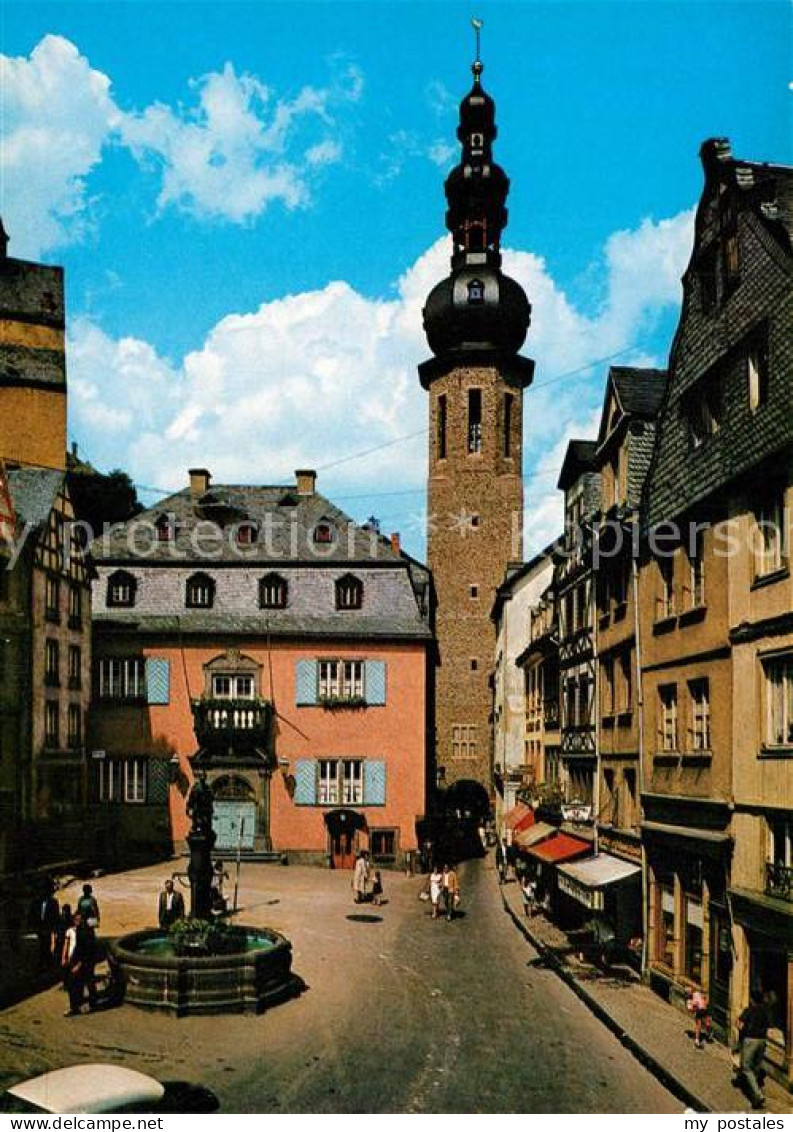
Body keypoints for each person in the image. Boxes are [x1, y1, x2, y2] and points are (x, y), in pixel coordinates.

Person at [737, 987, 770, 1109]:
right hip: (762, 1040)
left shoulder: (749, 1010)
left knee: (746, 1068)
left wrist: (740, 1038)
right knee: (756, 1066)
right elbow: (768, 1026)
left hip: (750, 1039)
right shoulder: (765, 1011)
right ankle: (754, 1088)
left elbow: (740, 1025)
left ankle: (757, 1095)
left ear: (751, 1000)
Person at [62, 910, 96, 1016]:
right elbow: (76, 948)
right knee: (73, 985)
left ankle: (91, 1005)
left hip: (86, 962)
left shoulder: (88, 932)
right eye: (75, 919)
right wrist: (70, 959)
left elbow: (88, 950)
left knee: (89, 983)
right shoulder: (77, 931)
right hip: (76, 960)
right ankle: (74, 1006)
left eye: (79, 919)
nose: (77, 921)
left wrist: (79, 964)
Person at [30, 877, 59, 966]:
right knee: (43, 943)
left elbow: (55, 915)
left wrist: (54, 927)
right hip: (39, 926)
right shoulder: (36, 902)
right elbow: (32, 914)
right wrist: (32, 925)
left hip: (48, 926)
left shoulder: (53, 902)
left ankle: (46, 960)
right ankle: (45, 960)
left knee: (46, 943)